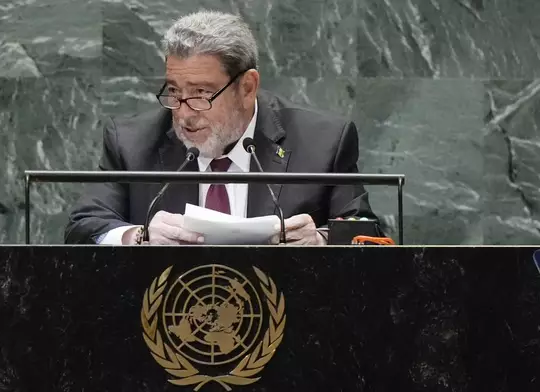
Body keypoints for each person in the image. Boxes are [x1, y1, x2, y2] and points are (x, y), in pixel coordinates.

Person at [64, 10, 377, 245]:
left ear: (247, 87)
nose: (184, 114)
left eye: (201, 94)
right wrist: (138, 235)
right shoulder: (131, 143)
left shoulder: (322, 142)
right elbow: (83, 226)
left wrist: (322, 239)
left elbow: (367, 232)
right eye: (174, 91)